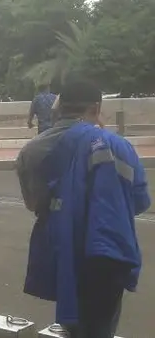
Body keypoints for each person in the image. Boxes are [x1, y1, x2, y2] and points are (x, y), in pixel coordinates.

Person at [16, 78, 150, 338]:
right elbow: (141, 201)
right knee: (100, 326)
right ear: (96, 107)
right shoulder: (117, 145)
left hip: (62, 248)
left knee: (75, 321)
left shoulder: (32, 150)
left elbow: (33, 202)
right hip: (108, 251)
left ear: (58, 107)